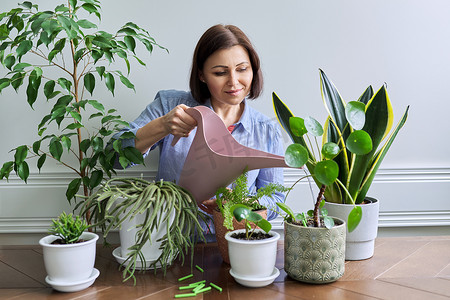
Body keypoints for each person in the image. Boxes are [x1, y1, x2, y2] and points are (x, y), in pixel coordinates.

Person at [115, 24, 285, 239]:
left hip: (233, 245)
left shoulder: (266, 130)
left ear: (253, 69)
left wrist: (239, 204)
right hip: (170, 241)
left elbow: (276, 200)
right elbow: (115, 155)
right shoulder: (170, 105)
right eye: (220, 72)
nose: (234, 82)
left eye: (242, 69)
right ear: (202, 75)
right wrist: (163, 125)